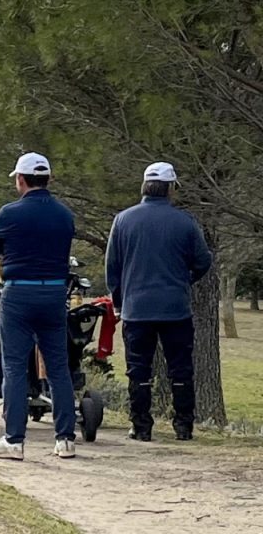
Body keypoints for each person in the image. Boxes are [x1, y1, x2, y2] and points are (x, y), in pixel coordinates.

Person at [0, 152, 77, 461]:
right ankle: (65, 440)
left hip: (19, 295)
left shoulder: (9, 214)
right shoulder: (65, 215)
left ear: (20, 179)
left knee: (15, 367)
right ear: (48, 179)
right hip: (54, 294)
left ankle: (14, 440)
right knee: (59, 368)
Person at [105, 162, 212, 441]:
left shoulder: (123, 220)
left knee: (138, 370)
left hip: (137, 308)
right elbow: (203, 261)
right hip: (175, 307)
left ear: (144, 186)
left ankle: (141, 426)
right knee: (181, 368)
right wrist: (184, 280)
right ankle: (183, 426)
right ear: (171, 188)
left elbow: (112, 268)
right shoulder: (185, 222)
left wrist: (119, 301)